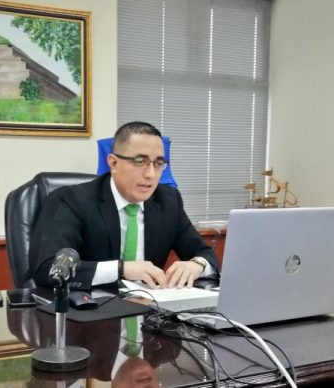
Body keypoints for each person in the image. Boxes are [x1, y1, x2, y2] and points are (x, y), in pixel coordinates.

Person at [29, 121, 219, 289]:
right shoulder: (70, 200)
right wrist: (120, 269)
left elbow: (205, 254)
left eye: (158, 163)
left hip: (150, 309)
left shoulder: (168, 201)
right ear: (113, 163)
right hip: (90, 311)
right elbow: (47, 269)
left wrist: (196, 265)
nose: (151, 174)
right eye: (140, 161)